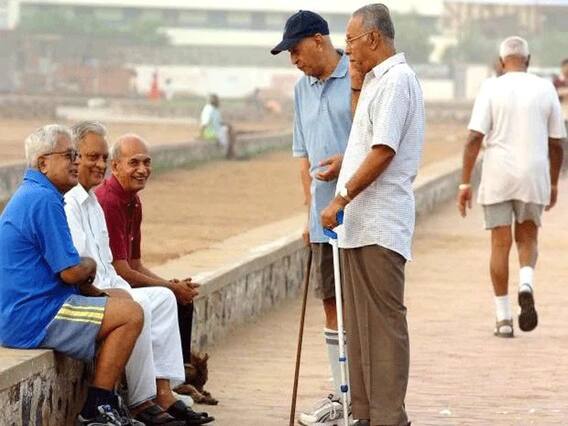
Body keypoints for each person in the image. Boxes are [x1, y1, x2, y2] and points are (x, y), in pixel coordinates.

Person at [64, 121, 213, 425]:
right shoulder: (82, 202)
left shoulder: (95, 203)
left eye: (103, 158)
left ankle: (164, 393)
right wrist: (159, 287)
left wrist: (167, 287)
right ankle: (141, 401)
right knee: (141, 304)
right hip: (92, 294)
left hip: (111, 285)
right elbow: (91, 271)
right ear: (74, 158)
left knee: (164, 299)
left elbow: (120, 265)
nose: (99, 164)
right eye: (93, 157)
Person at [321, 4, 424, 425]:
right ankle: (363, 412)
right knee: (360, 326)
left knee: (383, 323)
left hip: (379, 223)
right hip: (360, 227)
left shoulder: (397, 80)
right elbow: (365, 135)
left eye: (350, 40)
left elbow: (384, 151)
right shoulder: (376, 80)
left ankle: (388, 416)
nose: (346, 49)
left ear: (374, 38)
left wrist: (341, 198)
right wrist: (344, 161)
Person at [0, 124, 144, 426]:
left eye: (77, 155)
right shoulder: (44, 199)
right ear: (43, 163)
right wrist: (89, 265)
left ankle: (111, 400)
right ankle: (97, 407)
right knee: (130, 315)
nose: (77, 162)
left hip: (33, 308)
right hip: (36, 316)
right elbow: (70, 272)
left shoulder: (37, 194)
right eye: (69, 155)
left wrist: (92, 282)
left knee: (121, 298)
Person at [271, 10, 353, 425]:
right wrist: (309, 214)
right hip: (323, 218)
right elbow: (303, 157)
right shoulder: (301, 90)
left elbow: (376, 145)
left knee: (360, 306)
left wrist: (347, 168)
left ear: (319, 40)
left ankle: (362, 396)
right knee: (331, 303)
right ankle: (342, 395)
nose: (294, 60)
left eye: (296, 50)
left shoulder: (358, 77)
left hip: (361, 214)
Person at [457, 36, 566, 338]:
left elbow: (473, 138)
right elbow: (557, 143)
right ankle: (526, 283)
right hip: (534, 174)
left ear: (502, 61)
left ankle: (503, 319)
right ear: (528, 61)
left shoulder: (491, 87)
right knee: (528, 238)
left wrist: (465, 182)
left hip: (498, 175)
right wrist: (553, 183)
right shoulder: (545, 88)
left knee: (499, 245)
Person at [94, 134, 200, 366]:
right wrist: (170, 287)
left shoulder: (133, 201)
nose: (142, 170)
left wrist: (171, 284)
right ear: (115, 166)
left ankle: (181, 372)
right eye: (134, 163)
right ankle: (170, 377)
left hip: (121, 279)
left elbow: (136, 264)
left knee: (181, 298)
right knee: (170, 297)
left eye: (147, 162)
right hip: (107, 286)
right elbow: (121, 270)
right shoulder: (109, 202)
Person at [200, 94, 235, 159]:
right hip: (210, 132)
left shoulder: (215, 110)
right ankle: (230, 152)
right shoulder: (209, 110)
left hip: (216, 130)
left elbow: (219, 122)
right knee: (230, 132)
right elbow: (204, 124)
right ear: (214, 101)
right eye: (218, 101)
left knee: (230, 129)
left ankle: (230, 152)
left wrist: (227, 124)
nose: (219, 102)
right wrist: (202, 135)